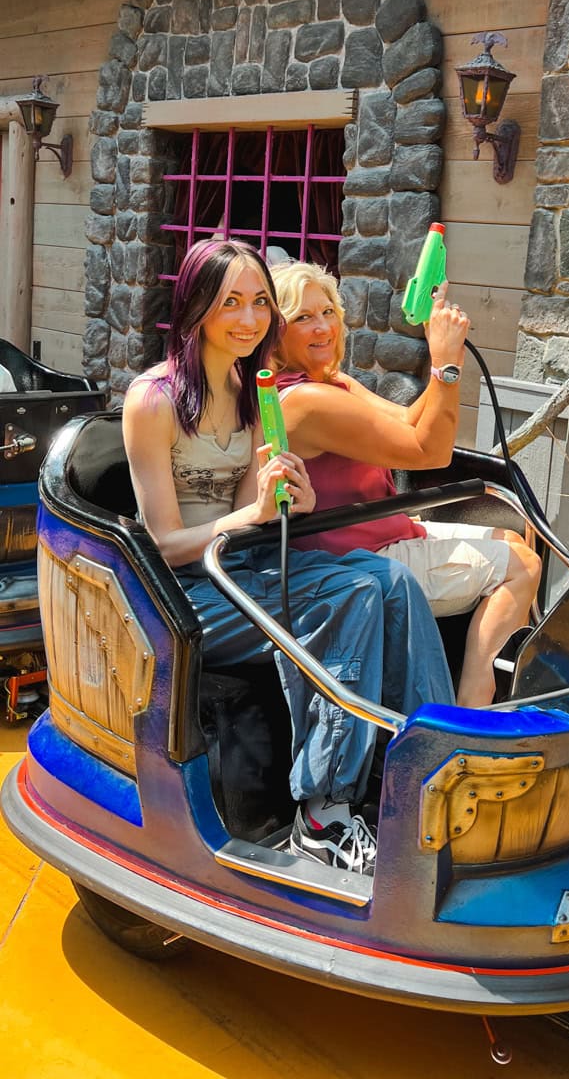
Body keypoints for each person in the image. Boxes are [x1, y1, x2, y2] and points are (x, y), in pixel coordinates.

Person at [122, 239, 454, 874]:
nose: (249, 319)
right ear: (196, 306)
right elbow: (162, 543)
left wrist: (288, 500)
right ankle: (323, 816)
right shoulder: (153, 400)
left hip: (239, 569)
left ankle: (425, 773)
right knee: (351, 595)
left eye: (259, 304)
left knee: (392, 582)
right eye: (231, 303)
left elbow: (257, 512)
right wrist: (253, 514)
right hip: (178, 592)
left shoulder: (255, 395)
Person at [270, 261, 542, 708]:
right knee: (523, 566)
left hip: (381, 532)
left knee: (514, 535)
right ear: (275, 333)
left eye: (328, 312)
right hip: (356, 558)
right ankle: (473, 711)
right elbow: (430, 453)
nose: (323, 328)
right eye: (303, 318)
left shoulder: (332, 383)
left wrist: (440, 354)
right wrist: (446, 364)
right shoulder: (306, 401)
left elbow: (408, 420)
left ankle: (480, 681)